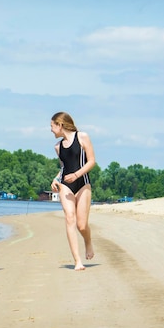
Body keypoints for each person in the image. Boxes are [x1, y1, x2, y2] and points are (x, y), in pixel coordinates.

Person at [50, 112, 96, 270]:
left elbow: (91, 161)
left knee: (82, 225)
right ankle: (77, 261)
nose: (51, 130)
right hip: (65, 185)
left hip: (83, 183)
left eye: (52, 126)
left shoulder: (82, 137)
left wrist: (77, 174)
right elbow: (64, 167)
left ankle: (88, 242)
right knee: (70, 218)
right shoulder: (57, 147)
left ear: (60, 124)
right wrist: (56, 179)